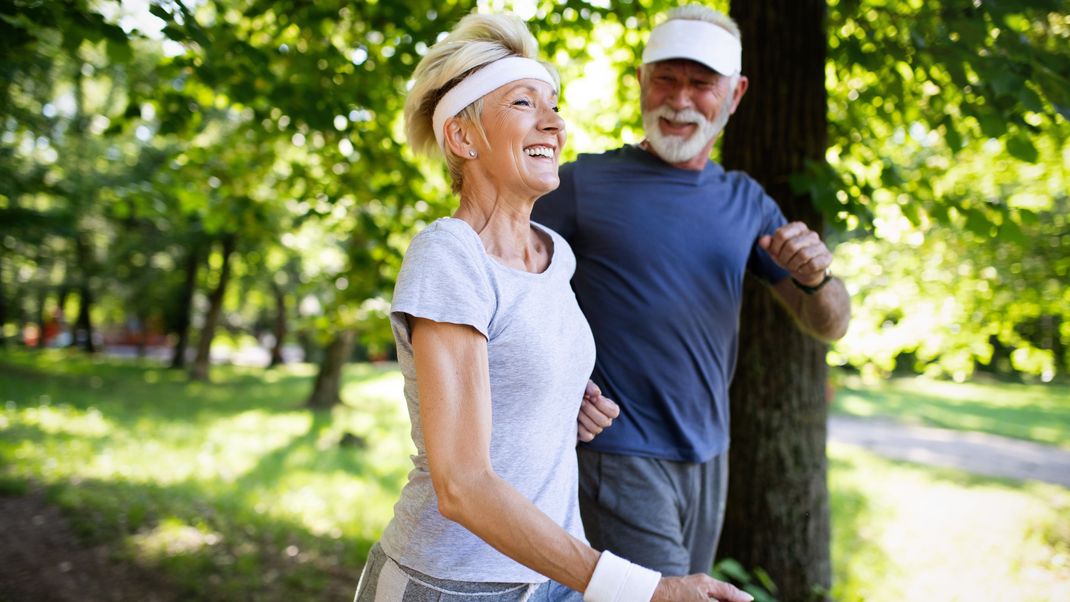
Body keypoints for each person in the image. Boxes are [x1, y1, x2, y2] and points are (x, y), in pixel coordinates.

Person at [353, 12, 752, 602]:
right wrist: (642, 588)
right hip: (454, 583)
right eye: (522, 103)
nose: (555, 122)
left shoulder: (554, 255)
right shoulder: (450, 256)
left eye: (554, 103)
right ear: (463, 137)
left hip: (549, 578)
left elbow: (514, 383)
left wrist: (564, 401)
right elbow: (461, 483)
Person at [531, 5, 852, 577]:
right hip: (616, 449)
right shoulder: (581, 185)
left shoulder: (748, 202)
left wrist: (817, 279)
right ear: (640, 82)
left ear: (735, 93)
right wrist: (559, 378)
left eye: (701, 84)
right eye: (666, 79)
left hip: (709, 455)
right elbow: (503, 288)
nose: (679, 100)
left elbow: (826, 323)